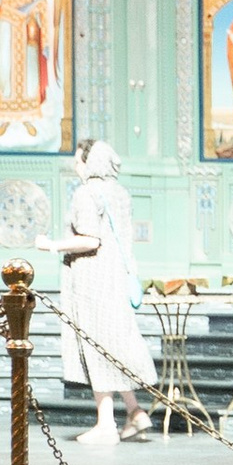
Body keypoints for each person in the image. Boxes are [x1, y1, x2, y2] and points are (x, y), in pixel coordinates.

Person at [59, 142, 150, 445]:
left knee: (97, 346)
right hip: (116, 277)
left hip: (92, 279)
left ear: (90, 162)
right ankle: (135, 411)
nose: (76, 166)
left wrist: (51, 244)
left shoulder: (86, 193)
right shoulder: (119, 192)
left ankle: (105, 423)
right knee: (114, 345)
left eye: (78, 161)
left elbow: (90, 240)